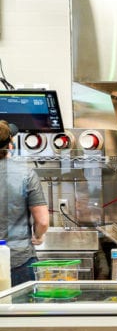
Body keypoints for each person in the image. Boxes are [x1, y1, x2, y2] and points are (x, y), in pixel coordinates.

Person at [0, 120, 49, 285]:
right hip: (18, 259)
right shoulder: (25, 174)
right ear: (10, 145)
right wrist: (38, 236)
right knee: (20, 310)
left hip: (17, 259)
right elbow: (42, 221)